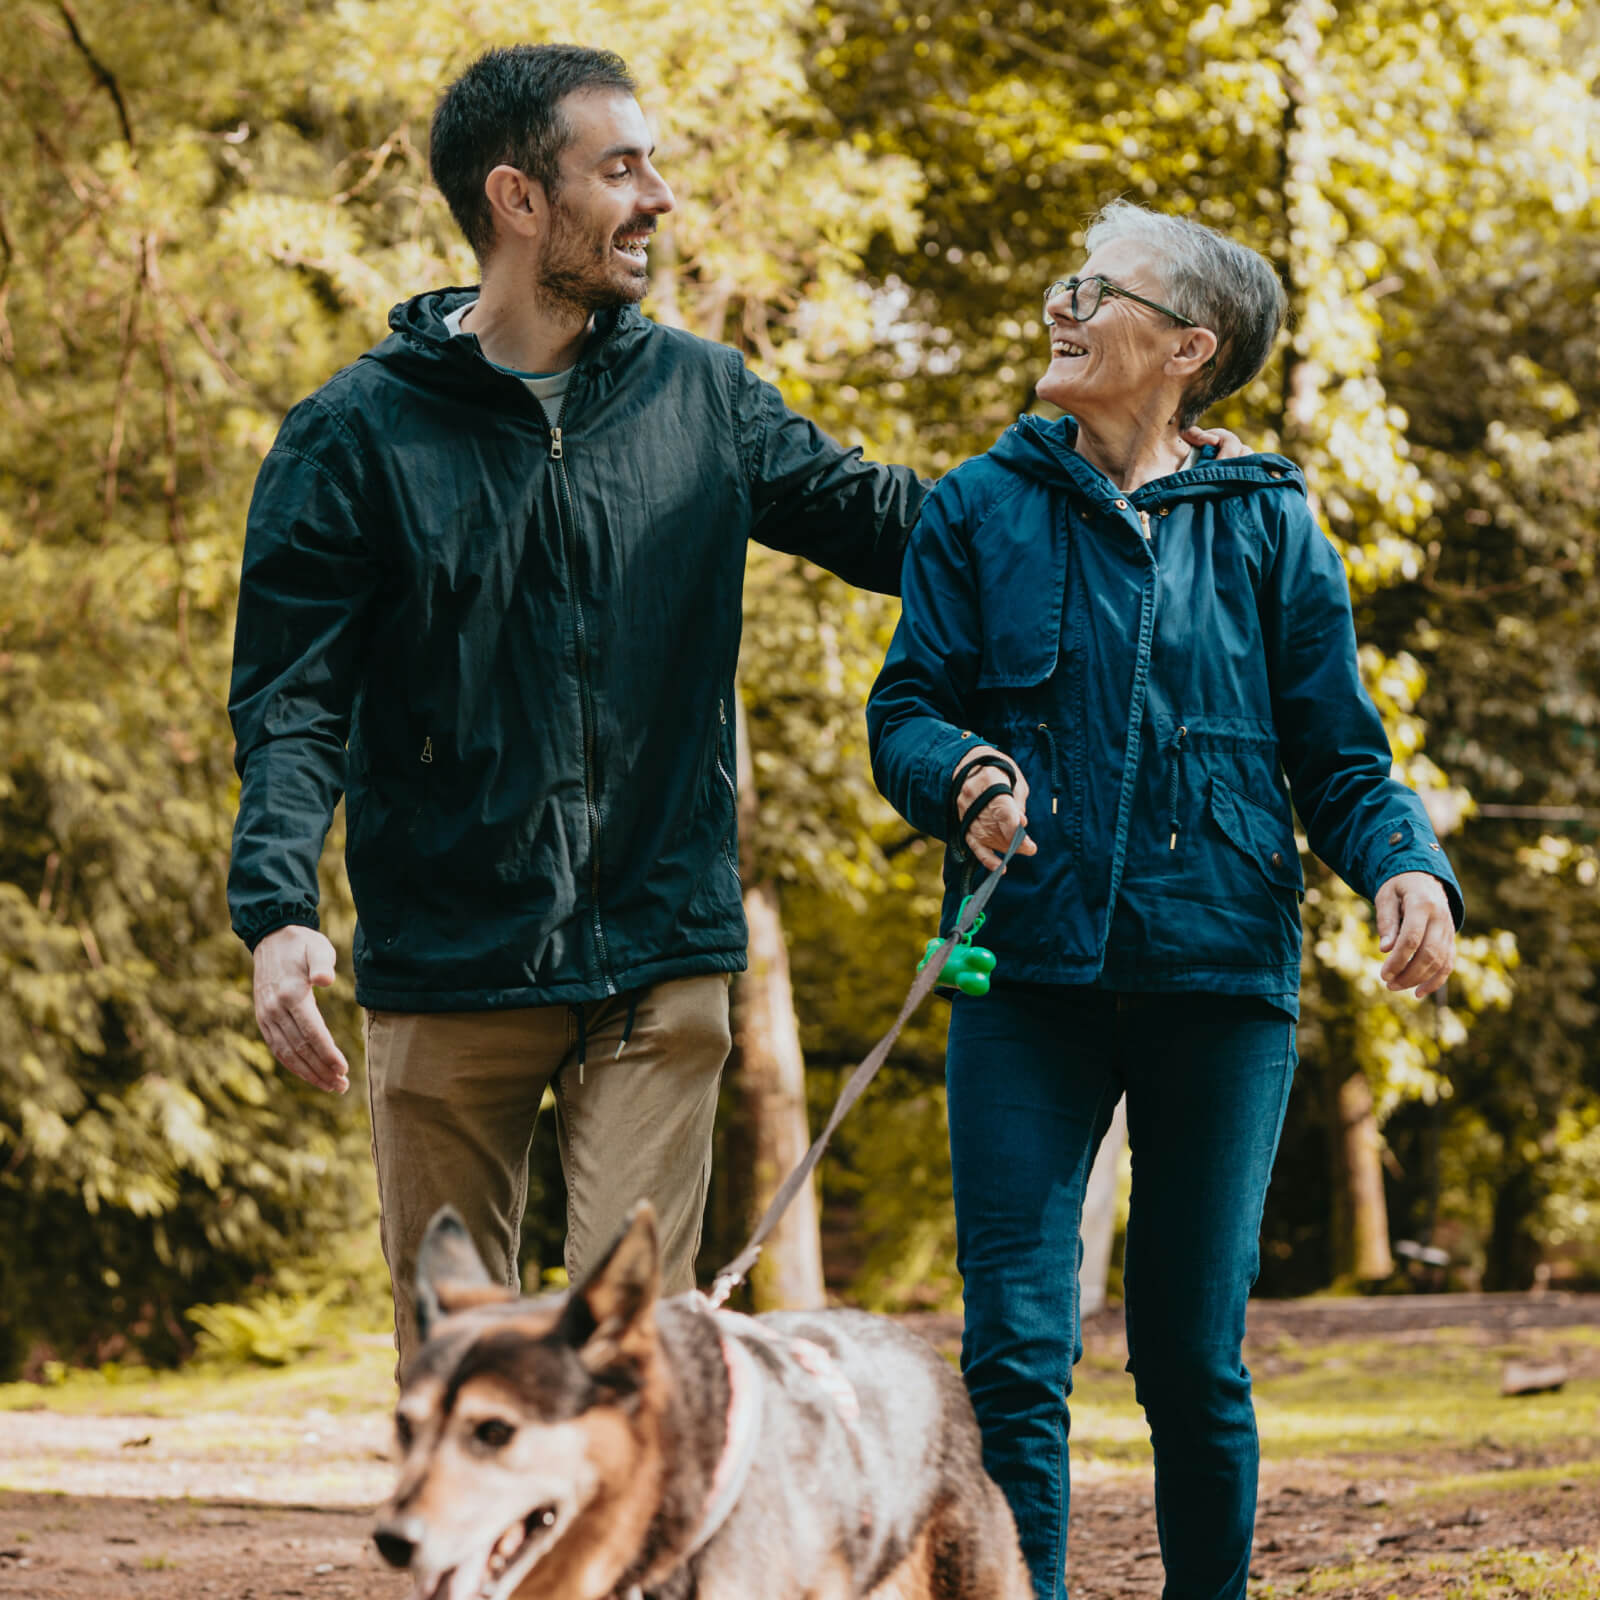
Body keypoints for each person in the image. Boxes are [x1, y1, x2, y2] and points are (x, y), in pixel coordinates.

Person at [228, 46, 1239, 1375]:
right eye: (622, 169)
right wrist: (280, 910)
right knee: (457, 1370)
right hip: (446, 955)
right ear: (519, 199)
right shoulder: (354, 436)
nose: (660, 198)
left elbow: (901, 525)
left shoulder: (701, 397)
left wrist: (1121, 472)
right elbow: (294, 699)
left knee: (633, 1365)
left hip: (660, 941)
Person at [867, 200, 1462, 1600]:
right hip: (1024, 979)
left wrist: (1405, 862)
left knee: (1195, 1359)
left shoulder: (1269, 524)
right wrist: (961, 773)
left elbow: (1340, 755)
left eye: (1098, 290)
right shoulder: (977, 508)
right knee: (1015, 1349)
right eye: (1067, 280)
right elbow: (905, 706)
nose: (1061, 307)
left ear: (1188, 348)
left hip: (1220, 984)